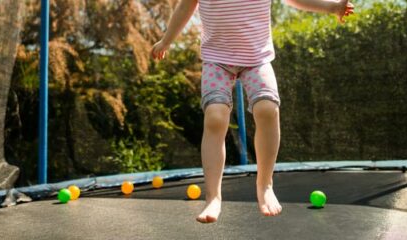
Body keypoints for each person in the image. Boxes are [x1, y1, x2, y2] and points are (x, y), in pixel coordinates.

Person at [151, 0, 354, 223]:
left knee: (268, 109)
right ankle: (213, 197)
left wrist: (332, 7)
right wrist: (166, 40)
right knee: (215, 117)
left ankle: (265, 185)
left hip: (257, 59)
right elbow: (185, 7)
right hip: (217, 60)